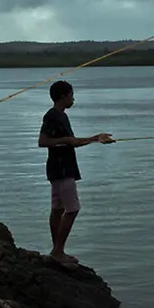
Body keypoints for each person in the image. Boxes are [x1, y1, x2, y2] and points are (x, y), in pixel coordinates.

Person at [38, 80, 114, 267]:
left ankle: (58, 250)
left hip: (58, 168)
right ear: (63, 96)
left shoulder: (57, 115)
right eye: (71, 95)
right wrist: (81, 139)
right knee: (72, 209)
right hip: (62, 169)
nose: (73, 98)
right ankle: (57, 252)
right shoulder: (54, 116)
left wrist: (96, 138)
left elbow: (71, 141)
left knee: (58, 209)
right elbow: (43, 141)